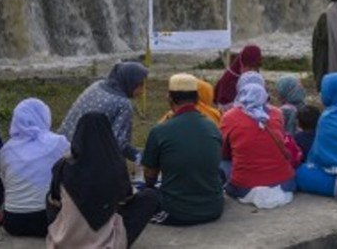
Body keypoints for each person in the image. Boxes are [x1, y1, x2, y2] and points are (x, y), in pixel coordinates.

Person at [46, 113, 158, 248]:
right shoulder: (115, 166)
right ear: (108, 135)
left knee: (50, 197)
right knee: (149, 197)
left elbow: (55, 200)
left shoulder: (62, 165)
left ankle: (61, 234)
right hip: (105, 244)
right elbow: (127, 197)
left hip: (64, 243)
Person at [142, 74, 223, 226]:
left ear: (170, 99)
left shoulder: (160, 130)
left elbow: (150, 175)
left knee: (144, 195)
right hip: (213, 208)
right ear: (198, 98)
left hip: (177, 212)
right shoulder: (213, 125)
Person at [1, 98, 70, 237]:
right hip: (47, 220)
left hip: (12, 222)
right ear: (45, 116)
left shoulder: (6, 149)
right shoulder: (58, 142)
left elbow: (5, 181)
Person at [59, 61, 148, 161]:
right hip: (83, 157)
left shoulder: (97, 86)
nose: (142, 91)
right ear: (130, 82)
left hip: (61, 147)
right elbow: (118, 143)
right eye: (140, 85)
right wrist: (140, 157)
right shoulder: (123, 104)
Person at [220, 81, 295, 199]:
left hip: (243, 187)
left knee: (223, 163)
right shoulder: (277, 113)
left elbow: (224, 152)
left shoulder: (230, 117)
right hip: (284, 184)